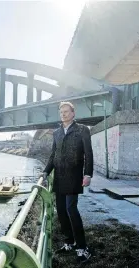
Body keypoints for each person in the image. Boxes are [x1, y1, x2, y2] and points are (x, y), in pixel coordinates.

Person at [42, 101, 93, 264]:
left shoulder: (82, 130)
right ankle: (69, 242)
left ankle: (83, 248)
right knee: (62, 211)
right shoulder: (56, 133)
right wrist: (45, 172)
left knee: (71, 209)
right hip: (59, 176)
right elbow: (53, 155)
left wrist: (88, 174)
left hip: (74, 176)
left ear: (73, 113)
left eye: (66, 111)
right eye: (61, 112)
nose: (63, 114)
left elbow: (88, 154)